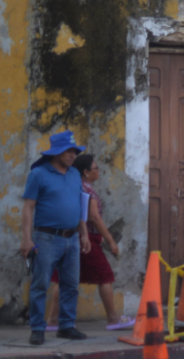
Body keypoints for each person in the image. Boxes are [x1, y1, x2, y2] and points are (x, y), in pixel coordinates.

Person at [43, 154, 134, 331]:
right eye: (96, 168)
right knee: (105, 276)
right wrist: (111, 241)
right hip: (87, 240)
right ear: (86, 172)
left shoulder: (74, 186)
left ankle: (53, 320)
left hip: (71, 238)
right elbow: (94, 218)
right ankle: (113, 318)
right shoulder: (87, 190)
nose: (99, 171)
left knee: (63, 279)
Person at [20, 131, 91, 345]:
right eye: (68, 151)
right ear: (56, 152)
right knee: (40, 284)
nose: (72, 155)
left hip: (72, 239)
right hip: (46, 237)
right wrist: (26, 238)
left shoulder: (74, 175)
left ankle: (66, 326)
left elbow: (79, 206)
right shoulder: (38, 174)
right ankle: (38, 328)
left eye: (74, 151)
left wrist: (84, 234)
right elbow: (28, 207)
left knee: (70, 284)